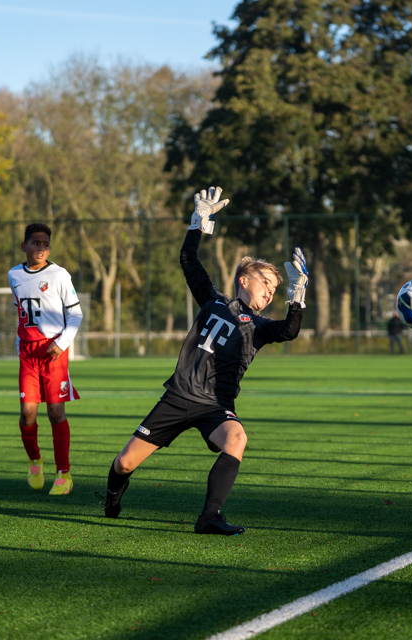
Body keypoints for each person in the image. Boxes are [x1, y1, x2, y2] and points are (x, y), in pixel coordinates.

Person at [97, 186, 307, 535]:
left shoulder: (261, 326)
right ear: (244, 280)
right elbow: (189, 261)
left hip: (215, 405)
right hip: (178, 397)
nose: (271, 292)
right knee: (124, 462)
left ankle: (209, 517)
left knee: (236, 439)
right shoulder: (213, 301)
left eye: (275, 289)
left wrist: (297, 296)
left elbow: (289, 332)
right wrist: (199, 223)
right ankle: (112, 498)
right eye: (266, 283)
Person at [8, 222, 83, 495]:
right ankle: (35, 462)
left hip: (54, 351)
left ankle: (64, 473)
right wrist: (20, 345)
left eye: (45, 244)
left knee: (55, 411)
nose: (41, 248)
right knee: (28, 413)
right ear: (24, 246)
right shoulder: (14, 275)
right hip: (28, 353)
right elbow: (21, 314)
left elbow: (76, 315)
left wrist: (62, 344)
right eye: (36, 243)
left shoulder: (60, 274)